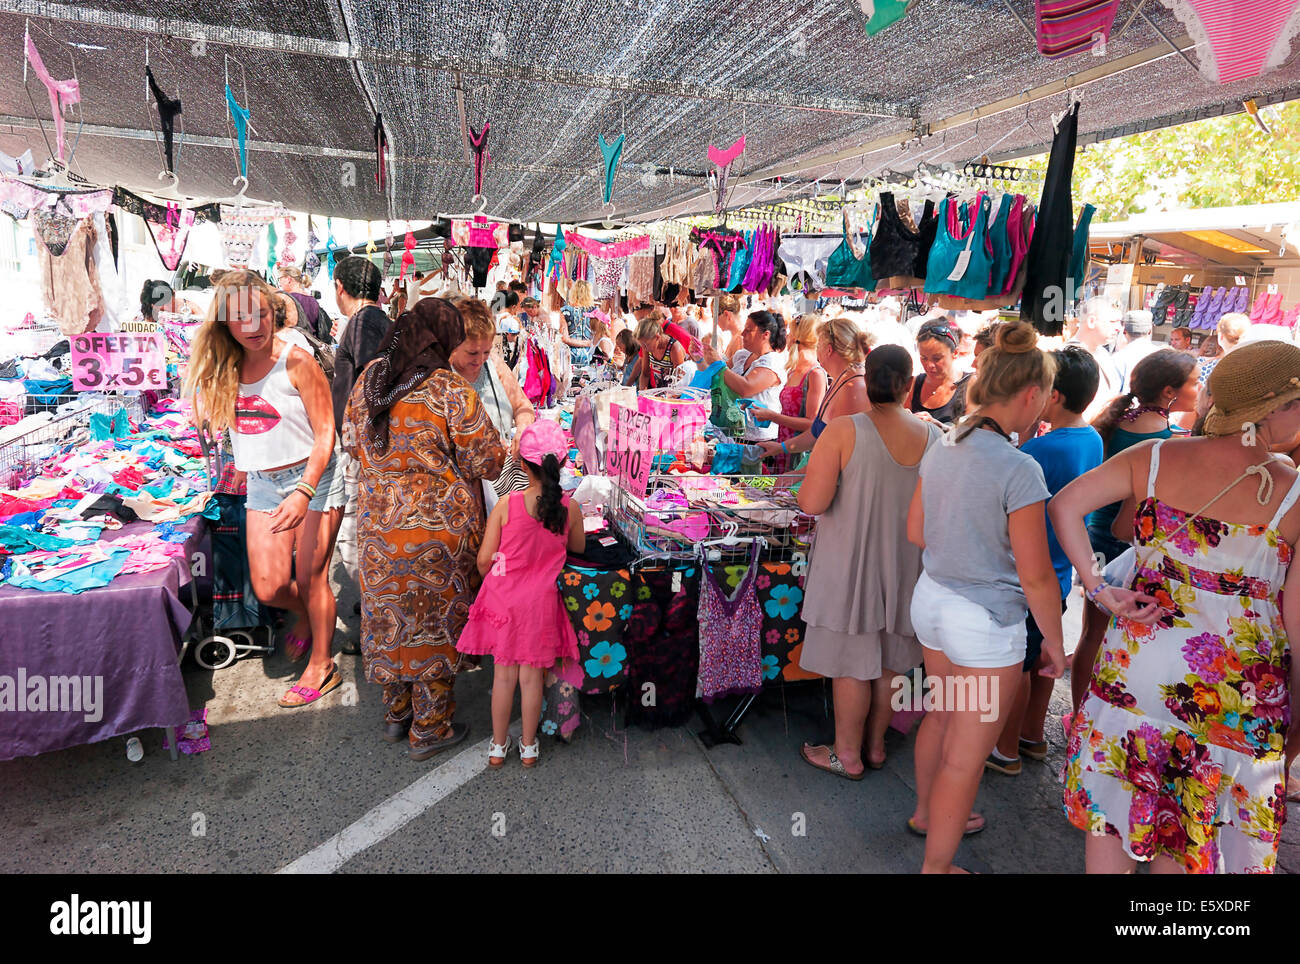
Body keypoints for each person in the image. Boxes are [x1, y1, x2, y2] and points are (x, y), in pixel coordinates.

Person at [1049, 341, 1300, 874]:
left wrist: (1097, 588)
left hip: (1136, 668)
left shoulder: (1156, 457)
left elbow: (1064, 504)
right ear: (1270, 407)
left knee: (1113, 813)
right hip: (1234, 692)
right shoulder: (1292, 494)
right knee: (1189, 837)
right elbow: (1296, 621)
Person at [905, 321, 1067, 873]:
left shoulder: (945, 443)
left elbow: (918, 532)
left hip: (932, 600)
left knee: (940, 721)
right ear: (1030, 395)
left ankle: (927, 815)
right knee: (965, 758)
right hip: (983, 620)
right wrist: (1057, 645)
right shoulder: (1019, 467)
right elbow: (1038, 577)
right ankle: (937, 867)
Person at [342, 298, 506, 760]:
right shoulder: (449, 391)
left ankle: (397, 715)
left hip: (379, 529)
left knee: (392, 618)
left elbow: (352, 444)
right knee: (433, 624)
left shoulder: (370, 381)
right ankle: (430, 728)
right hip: (439, 535)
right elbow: (488, 460)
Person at [185, 270, 346, 707]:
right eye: (241, 319)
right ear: (225, 323)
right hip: (260, 485)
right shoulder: (223, 367)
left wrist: (304, 492)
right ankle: (309, 616)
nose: (253, 327)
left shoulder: (296, 360)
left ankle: (322, 664)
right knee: (270, 586)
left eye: (260, 314)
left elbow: (326, 433)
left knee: (312, 578)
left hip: (315, 479)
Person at [797, 346, 943, 778]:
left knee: (851, 664)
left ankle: (848, 755)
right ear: (906, 382)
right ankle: (876, 747)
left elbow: (812, 501)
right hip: (907, 565)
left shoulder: (843, 431)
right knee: (891, 660)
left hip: (850, 564)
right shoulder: (934, 437)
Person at [988, 347, 1104, 776]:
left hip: (1026, 574)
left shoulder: (1039, 448)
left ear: (1050, 396)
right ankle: (1032, 736)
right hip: (1058, 572)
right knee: (1041, 661)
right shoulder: (1090, 438)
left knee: (1017, 663)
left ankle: (1004, 749)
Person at [456, 421, 585, 767]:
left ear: (522, 464)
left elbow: (484, 560)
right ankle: (529, 747)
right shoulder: (570, 508)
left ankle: (498, 748)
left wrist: (496, 580)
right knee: (531, 679)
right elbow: (578, 546)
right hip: (541, 605)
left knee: (503, 676)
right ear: (560, 464)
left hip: (504, 600)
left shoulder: (506, 505)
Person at [1075, 350, 1199, 698]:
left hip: (1095, 538)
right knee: (1115, 642)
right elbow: (1126, 524)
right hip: (1121, 546)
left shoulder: (1125, 419)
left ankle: (1077, 717)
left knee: (1091, 635)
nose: (1199, 387)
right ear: (1169, 392)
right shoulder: (1157, 441)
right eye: (1195, 381)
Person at [449, 298, 536, 498]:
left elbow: (522, 405)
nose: (480, 359)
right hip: (465, 491)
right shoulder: (443, 375)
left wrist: (522, 428)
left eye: (486, 351)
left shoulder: (494, 365)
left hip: (503, 483)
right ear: (454, 344)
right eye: (472, 353)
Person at [758, 316, 870, 463]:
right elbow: (816, 432)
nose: (817, 353)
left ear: (828, 350)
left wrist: (804, 473)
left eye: (818, 347)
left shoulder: (853, 387)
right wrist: (781, 448)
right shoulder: (842, 380)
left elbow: (840, 451)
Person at [702, 310, 788, 442]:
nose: (742, 334)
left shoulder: (773, 362)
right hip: (733, 433)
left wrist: (718, 364)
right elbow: (715, 376)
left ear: (765, 335)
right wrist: (700, 360)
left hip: (758, 441)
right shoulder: (742, 355)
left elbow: (746, 388)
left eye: (748, 330)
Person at [754, 313, 826, 471]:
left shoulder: (815, 374)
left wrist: (772, 416)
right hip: (782, 445)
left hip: (798, 451)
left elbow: (811, 424)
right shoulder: (793, 371)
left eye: (789, 331)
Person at [1067, 296, 1124, 421]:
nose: (1118, 327)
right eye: (1113, 322)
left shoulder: (1103, 354)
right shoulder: (1068, 357)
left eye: (1120, 322)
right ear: (1091, 321)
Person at [909, 319, 972, 425]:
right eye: (924, 358)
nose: (929, 365)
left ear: (955, 353)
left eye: (937, 358)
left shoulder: (970, 385)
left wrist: (937, 426)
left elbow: (973, 433)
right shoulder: (915, 383)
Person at [278, 265, 331, 343]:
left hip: (294, 345)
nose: (279, 283)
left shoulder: (287, 299)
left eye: (280, 279)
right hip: (312, 345)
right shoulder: (313, 300)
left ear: (288, 279)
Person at [1112, 309, 1159, 392]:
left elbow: (1112, 393)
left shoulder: (1118, 358)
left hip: (1126, 404)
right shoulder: (1162, 355)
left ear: (1124, 331)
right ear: (1149, 331)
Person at [637, 314, 687, 390]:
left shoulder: (674, 348)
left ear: (657, 337)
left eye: (646, 345)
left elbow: (679, 381)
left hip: (673, 393)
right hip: (657, 391)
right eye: (642, 345)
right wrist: (642, 393)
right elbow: (645, 374)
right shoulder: (646, 346)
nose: (644, 348)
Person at [560, 280, 596, 368]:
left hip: (570, 355)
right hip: (588, 356)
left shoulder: (565, 311)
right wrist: (588, 343)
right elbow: (598, 338)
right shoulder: (594, 312)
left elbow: (564, 338)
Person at [716, 295, 743, 362]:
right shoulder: (735, 336)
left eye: (715, 317)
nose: (715, 322)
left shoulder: (740, 339)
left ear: (726, 314)